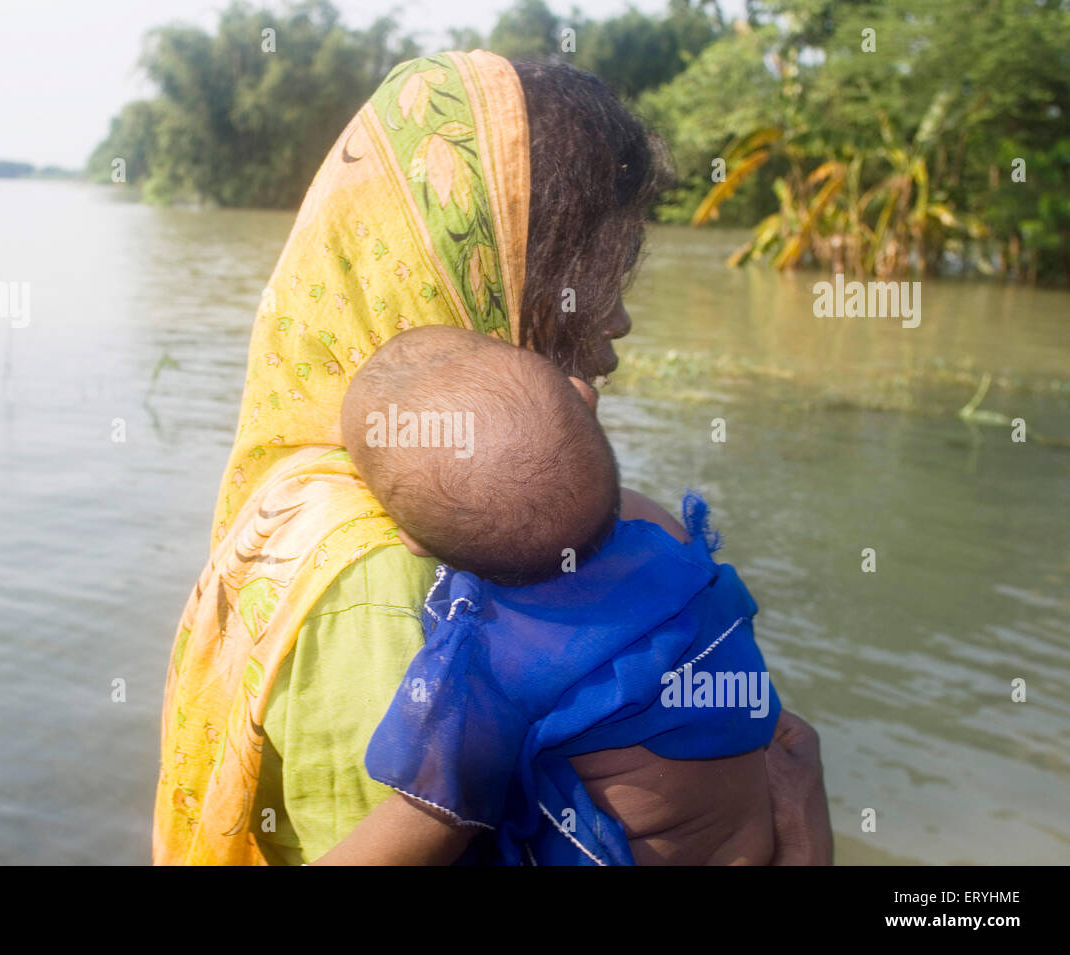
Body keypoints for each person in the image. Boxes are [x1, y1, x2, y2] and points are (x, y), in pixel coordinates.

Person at [153, 50, 832, 866]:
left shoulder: (428, 504)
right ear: (478, 275)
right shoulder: (388, 585)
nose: (616, 320)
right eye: (587, 275)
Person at [315, 325, 776, 865]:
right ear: (586, 397)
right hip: (755, 836)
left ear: (411, 543)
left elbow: (425, 822)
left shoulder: (488, 660)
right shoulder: (661, 530)